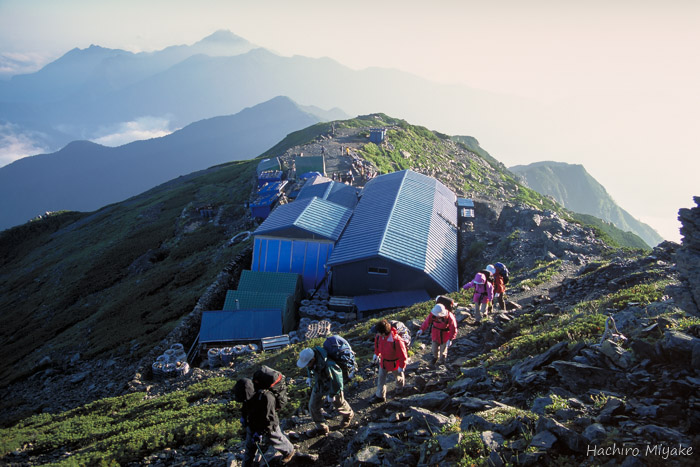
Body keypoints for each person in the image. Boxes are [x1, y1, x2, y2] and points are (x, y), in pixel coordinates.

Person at [234, 377, 295, 466]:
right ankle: (247, 464)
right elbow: (245, 406)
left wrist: (260, 433)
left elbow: (269, 419)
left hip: (269, 424)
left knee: (275, 438)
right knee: (249, 445)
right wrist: (243, 417)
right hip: (253, 423)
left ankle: (289, 451)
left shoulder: (266, 397)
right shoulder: (247, 395)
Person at [297, 347, 354, 436]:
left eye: (307, 363)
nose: (307, 365)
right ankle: (321, 428)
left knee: (339, 404)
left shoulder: (329, 365)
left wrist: (332, 394)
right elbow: (310, 367)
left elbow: (337, 382)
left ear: (313, 359)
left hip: (332, 387)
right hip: (320, 384)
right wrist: (309, 376)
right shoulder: (312, 361)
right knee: (313, 405)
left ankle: (348, 416)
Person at [372, 319, 408, 402]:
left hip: (395, 363)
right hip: (384, 362)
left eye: (378, 332)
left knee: (399, 377)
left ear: (383, 333)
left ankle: (399, 388)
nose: (376, 334)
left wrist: (402, 366)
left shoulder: (397, 341)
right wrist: (376, 354)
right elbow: (377, 346)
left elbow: (403, 355)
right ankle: (380, 396)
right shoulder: (379, 337)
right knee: (381, 379)